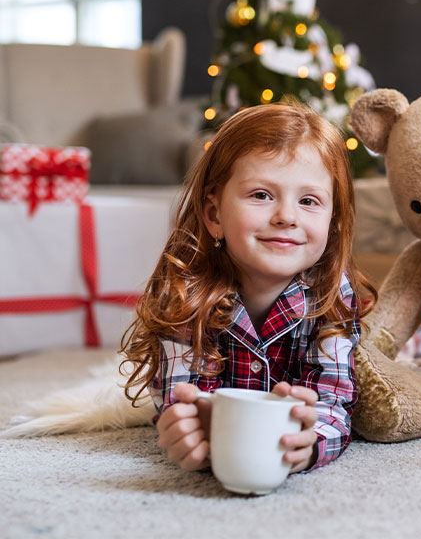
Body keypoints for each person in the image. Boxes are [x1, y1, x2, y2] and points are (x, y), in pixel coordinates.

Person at [120, 102, 376, 474]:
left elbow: (333, 401)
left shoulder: (332, 292)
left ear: (333, 223)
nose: (286, 216)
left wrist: (309, 443)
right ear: (214, 215)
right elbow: (181, 398)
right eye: (261, 195)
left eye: (308, 201)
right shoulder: (185, 290)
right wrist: (192, 427)